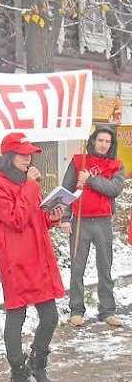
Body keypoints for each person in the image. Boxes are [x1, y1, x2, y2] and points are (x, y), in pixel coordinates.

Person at [0, 132, 66, 382]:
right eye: (23, 154)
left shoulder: (26, 182)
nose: (28, 158)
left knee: (50, 316)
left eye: (30, 153)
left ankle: (37, 363)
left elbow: (33, 216)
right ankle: (19, 375)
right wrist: (31, 188)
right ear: (9, 156)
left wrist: (50, 217)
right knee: (16, 317)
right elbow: (16, 219)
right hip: (14, 261)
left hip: (38, 257)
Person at [60, 126, 125, 327]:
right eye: (100, 140)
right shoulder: (79, 161)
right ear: (93, 141)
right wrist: (65, 218)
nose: (104, 144)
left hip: (103, 222)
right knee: (77, 268)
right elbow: (66, 189)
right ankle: (77, 310)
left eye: (108, 141)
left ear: (111, 144)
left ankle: (107, 310)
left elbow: (113, 189)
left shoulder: (116, 166)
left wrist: (91, 179)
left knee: (105, 267)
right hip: (81, 221)